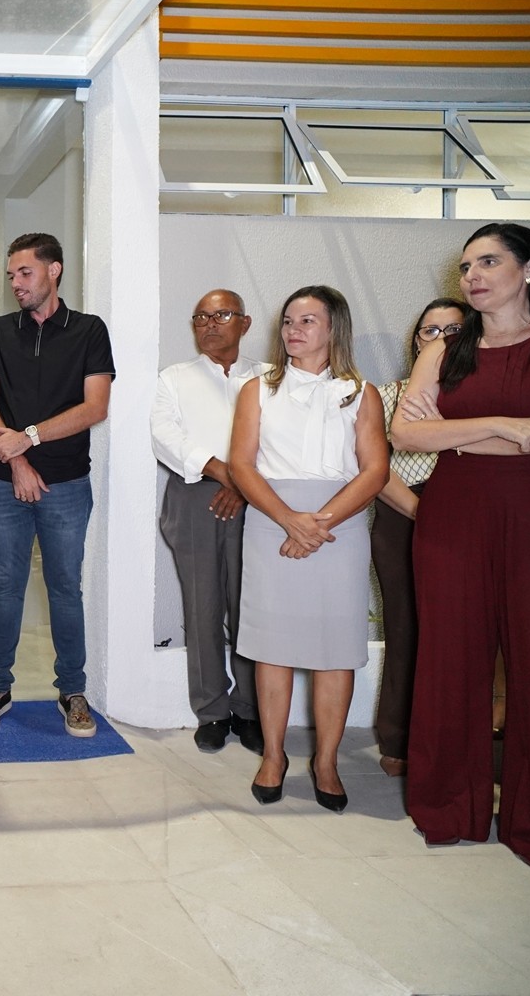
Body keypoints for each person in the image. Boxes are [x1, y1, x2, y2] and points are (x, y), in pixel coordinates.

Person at [393, 223, 530, 875]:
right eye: (466, 266)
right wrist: (505, 424)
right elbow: (406, 434)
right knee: (448, 663)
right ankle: (449, 809)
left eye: (488, 262)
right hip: (454, 515)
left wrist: (453, 431)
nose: (472, 276)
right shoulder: (445, 347)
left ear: (528, 268)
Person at [228, 285, 387, 813]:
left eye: (308, 320)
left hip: (338, 527)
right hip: (272, 521)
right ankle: (273, 757)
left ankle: (326, 762)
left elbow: (375, 471)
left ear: (334, 328)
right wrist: (289, 520)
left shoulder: (360, 393)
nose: (293, 330)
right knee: (272, 647)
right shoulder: (257, 390)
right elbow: (242, 465)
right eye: (289, 321)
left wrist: (318, 524)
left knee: (334, 650)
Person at [0, 232, 114, 737]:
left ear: (55, 270)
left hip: (67, 484)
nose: (16, 283)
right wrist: (17, 462)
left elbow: (95, 408)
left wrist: (27, 438)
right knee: (6, 586)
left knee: (64, 588)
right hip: (2, 482)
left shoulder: (90, 331)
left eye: (25, 273)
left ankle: (72, 691)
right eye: (11, 275)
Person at [151, 288, 266, 755]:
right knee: (201, 608)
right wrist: (224, 472)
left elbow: (279, 436)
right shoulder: (174, 378)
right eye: (201, 317)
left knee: (250, 608)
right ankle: (212, 712)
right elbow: (165, 435)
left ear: (245, 323)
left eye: (221, 315)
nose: (209, 324)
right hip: (196, 494)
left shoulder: (269, 377)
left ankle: (250, 710)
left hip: (257, 499)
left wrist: (243, 483)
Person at [369, 298, 466, 778]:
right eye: (431, 330)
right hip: (401, 513)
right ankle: (398, 737)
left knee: (462, 633)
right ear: (416, 340)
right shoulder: (388, 395)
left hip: (467, 516)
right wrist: (419, 511)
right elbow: (374, 467)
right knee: (405, 626)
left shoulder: (480, 397)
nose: (441, 339)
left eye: (453, 330)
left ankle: (456, 740)